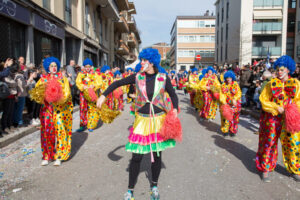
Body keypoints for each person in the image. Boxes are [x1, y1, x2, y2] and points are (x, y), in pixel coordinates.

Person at [97, 48, 179, 200]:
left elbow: (173, 95)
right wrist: (103, 95)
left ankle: (154, 185)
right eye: (141, 60)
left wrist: (174, 110)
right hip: (141, 120)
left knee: (157, 154)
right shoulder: (137, 76)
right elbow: (118, 83)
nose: (141, 62)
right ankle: (130, 190)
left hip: (158, 120)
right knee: (137, 157)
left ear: (152, 61)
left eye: (144, 60)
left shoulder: (163, 77)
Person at [256, 55, 300, 182]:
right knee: (269, 143)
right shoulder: (271, 84)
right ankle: (266, 169)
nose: (279, 72)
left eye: (282, 69)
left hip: (290, 119)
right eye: (278, 70)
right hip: (273, 119)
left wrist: (291, 110)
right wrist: (276, 107)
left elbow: (298, 101)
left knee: (293, 143)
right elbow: (263, 101)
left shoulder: (296, 84)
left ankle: (294, 169)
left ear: (288, 69)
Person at [29, 57, 73, 166]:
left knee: (60, 131)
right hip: (47, 110)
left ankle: (59, 155)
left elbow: (67, 94)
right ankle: (47, 155)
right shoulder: (43, 79)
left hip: (59, 109)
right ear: (48, 67)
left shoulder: (63, 79)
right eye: (51, 66)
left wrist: (57, 99)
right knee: (47, 132)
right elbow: (37, 93)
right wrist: (44, 96)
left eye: (55, 66)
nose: (53, 68)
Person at [76, 58, 102, 132]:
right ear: (84, 67)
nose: (87, 68)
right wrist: (82, 86)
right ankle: (83, 125)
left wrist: (94, 86)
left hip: (92, 94)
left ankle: (91, 125)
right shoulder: (81, 74)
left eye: (89, 66)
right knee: (83, 109)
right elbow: (78, 82)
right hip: (83, 94)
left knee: (92, 109)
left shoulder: (95, 74)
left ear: (91, 66)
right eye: (86, 66)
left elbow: (99, 82)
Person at [219, 70, 241, 137]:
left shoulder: (235, 84)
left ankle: (233, 131)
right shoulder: (223, 85)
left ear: (232, 78)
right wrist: (224, 102)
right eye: (227, 78)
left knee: (234, 118)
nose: (228, 79)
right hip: (226, 104)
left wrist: (235, 99)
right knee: (225, 117)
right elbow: (221, 95)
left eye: (230, 78)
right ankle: (225, 130)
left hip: (234, 104)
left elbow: (239, 93)